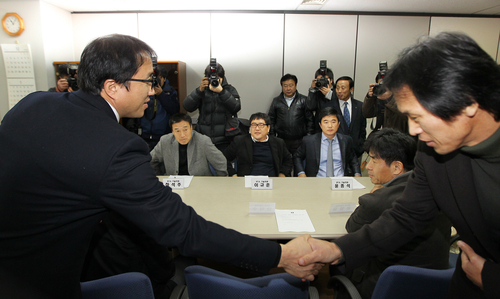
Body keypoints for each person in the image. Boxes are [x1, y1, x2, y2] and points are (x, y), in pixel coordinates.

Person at [0, 34, 320, 299]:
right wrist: (280, 255)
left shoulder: (33, 103)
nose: (154, 90)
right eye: (149, 80)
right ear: (114, 86)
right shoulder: (117, 148)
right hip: (35, 284)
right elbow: (183, 228)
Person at [298, 32, 500, 299]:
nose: (413, 131)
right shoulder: (433, 151)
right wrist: (339, 250)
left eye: (418, 117)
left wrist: (491, 279)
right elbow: (407, 216)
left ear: (468, 102)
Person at [334, 128, 451, 299]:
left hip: (386, 287)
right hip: (433, 284)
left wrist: (375, 194)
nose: (369, 166)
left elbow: (352, 227)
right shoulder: (436, 192)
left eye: (374, 159)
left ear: (397, 167)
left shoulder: (378, 201)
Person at [183, 61, 241, 152]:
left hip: (224, 140)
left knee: (222, 165)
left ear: (222, 77)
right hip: (203, 139)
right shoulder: (202, 91)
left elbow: (236, 107)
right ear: (206, 78)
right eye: (212, 77)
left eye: (218, 77)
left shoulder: (229, 90)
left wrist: (221, 92)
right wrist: (199, 90)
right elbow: (187, 107)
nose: (215, 80)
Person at [150, 113, 227, 176]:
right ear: (172, 131)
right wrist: (157, 178)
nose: (182, 135)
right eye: (177, 131)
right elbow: (151, 160)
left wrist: (220, 183)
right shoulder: (165, 141)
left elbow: (220, 162)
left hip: (200, 184)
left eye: (185, 129)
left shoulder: (203, 141)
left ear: (191, 128)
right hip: (174, 185)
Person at [293, 107, 361, 177]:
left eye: (333, 122)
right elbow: (297, 157)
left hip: (340, 181)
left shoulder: (346, 140)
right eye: (326, 122)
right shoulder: (309, 141)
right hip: (317, 180)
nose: (330, 126)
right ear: (320, 125)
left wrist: (357, 173)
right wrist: (301, 173)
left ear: (338, 124)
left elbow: (353, 159)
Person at [223, 112, 293, 177]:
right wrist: (233, 174)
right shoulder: (239, 141)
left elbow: (288, 160)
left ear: (268, 128)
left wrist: (282, 174)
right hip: (246, 182)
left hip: (271, 181)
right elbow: (223, 159)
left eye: (261, 125)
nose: (257, 128)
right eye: (253, 125)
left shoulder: (278, 142)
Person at [268, 73, 314, 158]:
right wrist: (273, 138)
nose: (288, 88)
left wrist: (308, 137)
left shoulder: (303, 100)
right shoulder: (276, 101)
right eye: (285, 85)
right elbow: (271, 120)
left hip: (300, 140)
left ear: (296, 86)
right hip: (282, 140)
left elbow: (310, 120)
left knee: (298, 164)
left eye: (291, 85)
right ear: (282, 86)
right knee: (284, 165)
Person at [140, 65, 180, 151]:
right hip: (145, 135)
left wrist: (161, 95)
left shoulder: (170, 92)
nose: (155, 81)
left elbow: (175, 111)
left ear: (164, 79)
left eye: (158, 78)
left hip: (163, 136)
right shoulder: (143, 90)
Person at [334, 76, 366, 158]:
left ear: (351, 89)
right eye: (337, 88)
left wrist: (361, 146)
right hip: (335, 152)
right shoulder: (329, 107)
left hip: (356, 152)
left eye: (343, 88)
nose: (339, 91)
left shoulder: (360, 106)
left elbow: (362, 128)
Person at [306, 65, 337, 130]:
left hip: (335, 128)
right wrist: (312, 90)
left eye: (324, 79)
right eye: (319, 79)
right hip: (319, 128)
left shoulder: (338, 92)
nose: (322, 81)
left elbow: (340, 107)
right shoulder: (316, 92)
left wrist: (329, 94)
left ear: (331, 80)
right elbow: (310, 107)